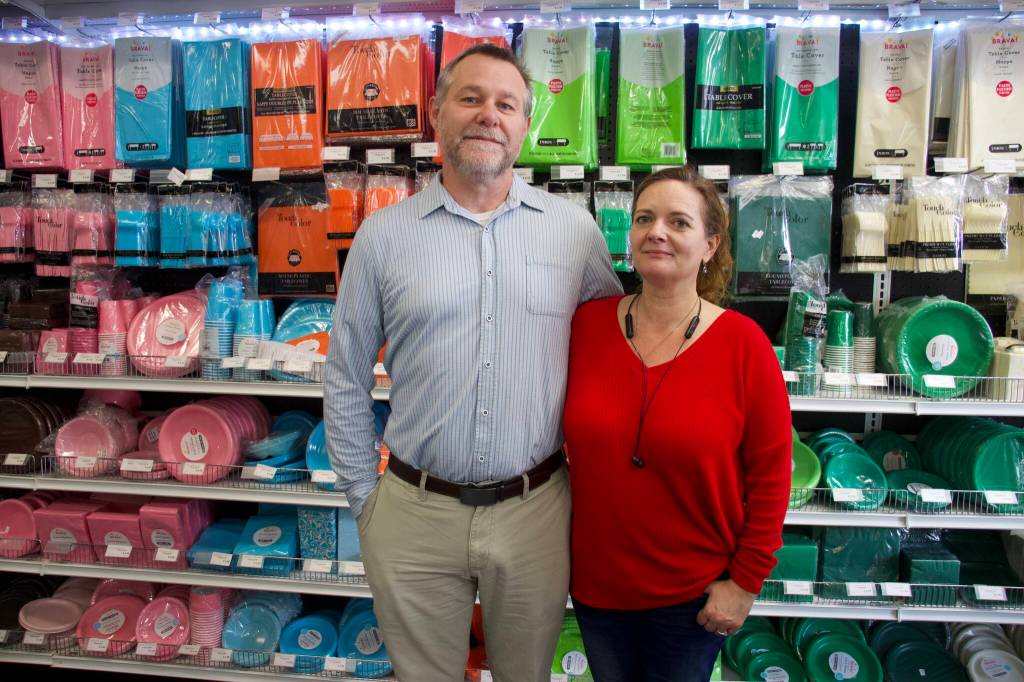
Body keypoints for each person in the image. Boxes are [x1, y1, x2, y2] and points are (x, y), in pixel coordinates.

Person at [324, 44, 622, 682]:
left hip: (535, 511)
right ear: (438, 114)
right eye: (471, 98)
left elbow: (618, 353)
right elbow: (344, 375)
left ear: (524, 124)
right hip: (412, 512)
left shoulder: (574, 232)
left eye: (506, 104)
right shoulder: (383, 235)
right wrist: (364, 503)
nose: (489, 114)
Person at [563, 166, 792, 682]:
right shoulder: (587, 326)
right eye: (644, 218)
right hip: (599, 589)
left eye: (678, 222)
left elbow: (772, 476)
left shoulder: (743, 345)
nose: (656, 232)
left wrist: (746, 583)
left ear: (710, 244)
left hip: (694, 596)